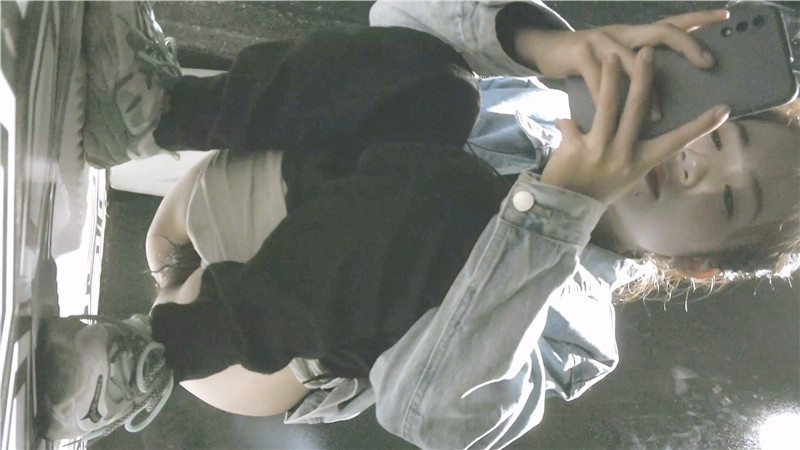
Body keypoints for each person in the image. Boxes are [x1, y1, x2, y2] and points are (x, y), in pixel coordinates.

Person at [36, 1, 799, 448]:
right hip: (240, 198)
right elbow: (394, 17)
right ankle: (149, 110)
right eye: (717, 137)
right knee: (438, 82)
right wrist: (546, 47)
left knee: (460, 201)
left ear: (698, 265)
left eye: (729, 202)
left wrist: (560, 210)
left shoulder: (581, 332)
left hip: (254, 350)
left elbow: (429, 413)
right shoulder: (543, 108)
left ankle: (137, 362)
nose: (697, 169)